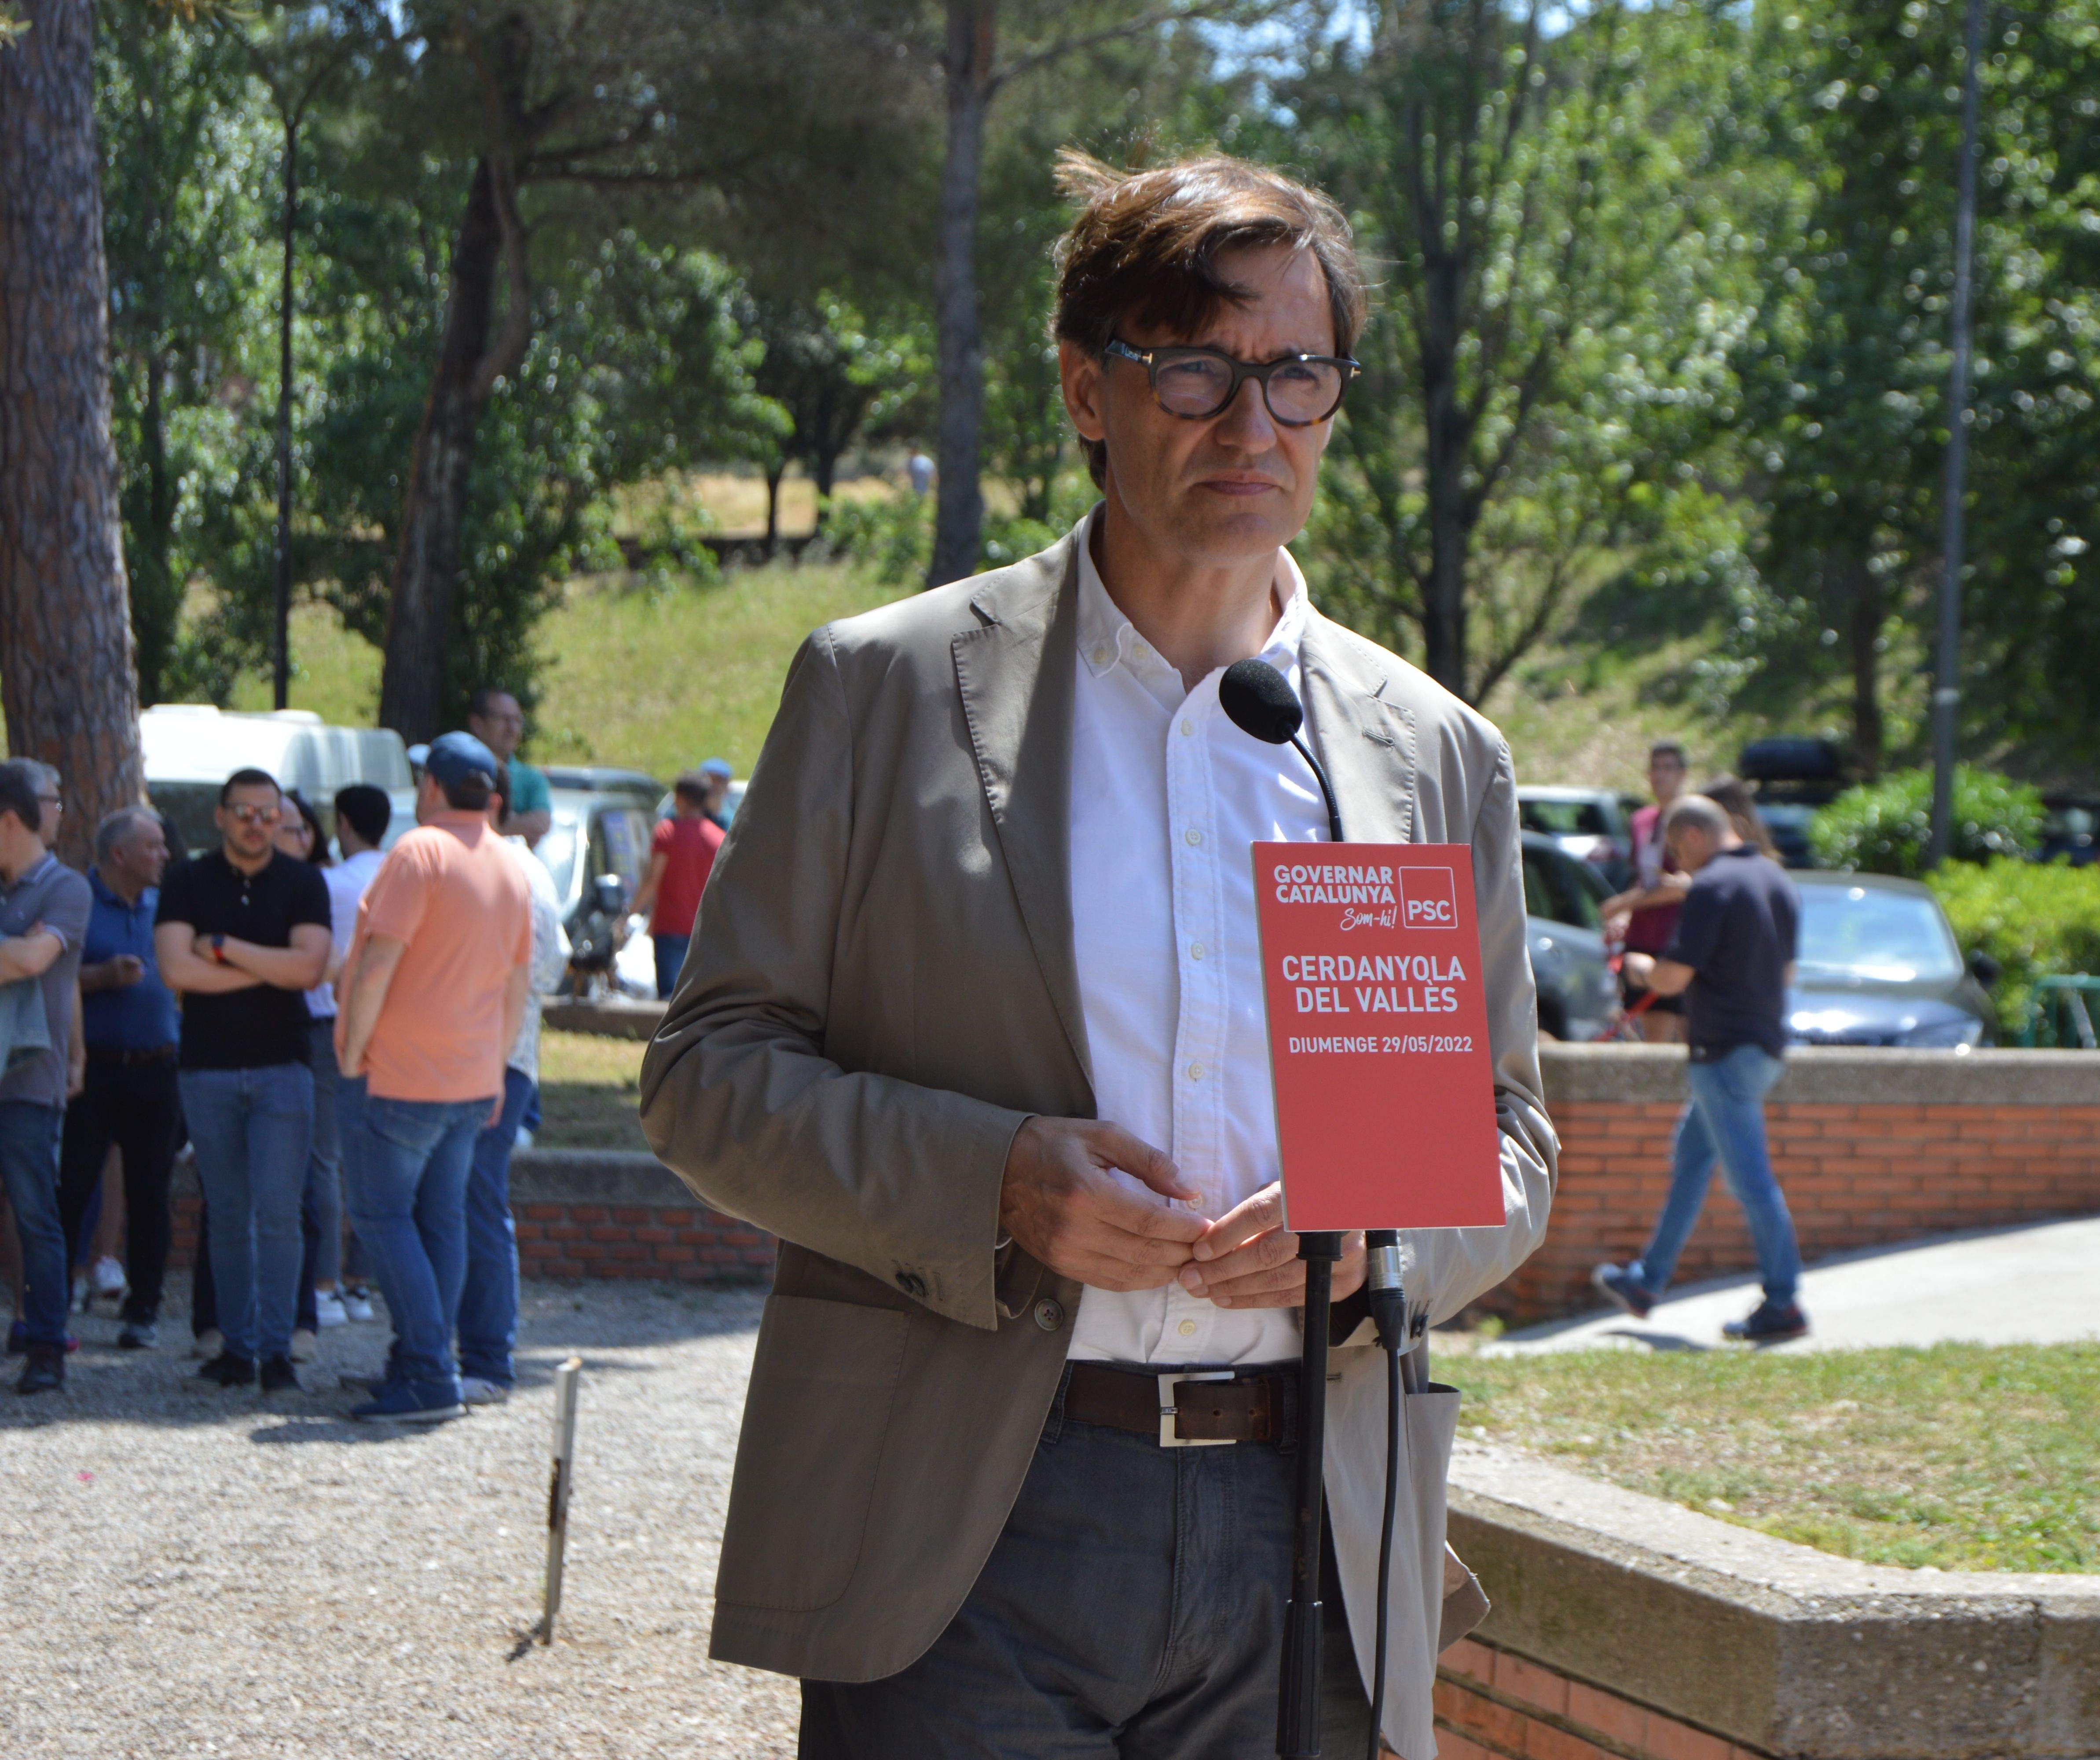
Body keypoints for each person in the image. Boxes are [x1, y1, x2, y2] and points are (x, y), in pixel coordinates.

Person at [639, 150, 1551, 1760]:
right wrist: (992, 1177)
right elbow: (705, 1076)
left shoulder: (1425, 751)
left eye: (1295, 372)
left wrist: (1374, 1239)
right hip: (967, 1517)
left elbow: (1506, 1142)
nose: (1250, 423)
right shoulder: (884, 688)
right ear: (1085, 385)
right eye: (1194, 367)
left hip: (1310, 1524)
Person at [334, 732, 532, 1424]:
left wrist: (352, 1051)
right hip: (472, 1077)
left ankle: (426, 1370)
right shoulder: (510, 864)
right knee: (441, 1221)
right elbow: (517, 983)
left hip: (402, 1075)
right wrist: (497, 1069)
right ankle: (422, 1363)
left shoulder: (420, 851)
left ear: (432, 788)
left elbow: (378, 965)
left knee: (382, 1217)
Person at [1590, 793, 1808, 1345]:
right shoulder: (1775, 879)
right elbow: (1785, 972)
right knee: (1691, 1156)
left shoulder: (1712, 886)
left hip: (1723, 1054)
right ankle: (1646, 1281)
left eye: (1674, 849)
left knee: (1750, 1181)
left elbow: (1671, 978)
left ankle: (1783, 1301)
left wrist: (1639, 967)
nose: (1676, 864)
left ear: (1691, 836)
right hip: (1762, 1046)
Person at [156, 768, 331, 1393]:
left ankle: (277, 1353)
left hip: (283, 1069)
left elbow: (310, 970)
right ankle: (237, 1349)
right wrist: (272, 968)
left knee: (281, 1214)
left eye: (269, 814)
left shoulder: (303, 882)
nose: (258, 825)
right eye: (245, 813)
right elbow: (176, 970)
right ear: (221, 816)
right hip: (207, 1070)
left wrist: (226, 947)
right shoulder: (186, 880)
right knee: (228, 1213)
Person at [57, 807, 181, 1352]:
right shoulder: (78, 902)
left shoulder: (167, 905)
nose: (164, 855)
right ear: (119, 854)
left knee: (152, 1192)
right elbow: (53, 977)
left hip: (158, 1067)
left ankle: (144, 1308)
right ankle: (52, 1305)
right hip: (93, 1069)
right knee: (72, 1188)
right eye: (153, 846)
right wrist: (102, 977)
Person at [458, 813, 565, 1404]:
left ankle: (487, 1361)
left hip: (494, 1063)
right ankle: (449, 1359)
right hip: (493, 1060)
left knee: (477, 1203)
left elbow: (542, 967)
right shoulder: (523, 867)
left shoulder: (512, 869)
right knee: (460, 1205)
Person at [0, 760, 91, 1394]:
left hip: (31, 1079)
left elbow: (40, 961)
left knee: (35, 1214)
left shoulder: (67, 888)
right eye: (53, 801)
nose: (61, 812)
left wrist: (24, 953)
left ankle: (46, 1347)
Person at [275, 791, 344, 1357]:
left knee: (316, 1164)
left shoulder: (317, 884)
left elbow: (323, 965)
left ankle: (320, 1289)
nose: (296, 838)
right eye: (287, 828)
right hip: (253, 1040)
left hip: (317, 1031)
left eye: (302, 829)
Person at [323, 785, 391, 1320]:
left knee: (327, 1161)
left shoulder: (330, 884)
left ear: (343, 823)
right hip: (397, 1037)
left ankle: (325, 1281)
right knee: (377, 1165)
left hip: (335, 1029)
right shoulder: (402, 874)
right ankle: (360, 1280)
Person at [1599, 739, 1691, 1043]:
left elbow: (1684, 884)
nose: (1660, 775)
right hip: (1643, 940)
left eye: (1668, 768)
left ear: (1683, 775)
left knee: (1692, 1036)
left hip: (1681, 938)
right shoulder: (1641, 820)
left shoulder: (1692, 820)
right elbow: (1644, 879)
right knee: (1653, 1041)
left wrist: (1624, 904)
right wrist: (1624, 915)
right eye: (1655, 768)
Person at [626, 773, 722, 998]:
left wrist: (630, 914)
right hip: (704, 931)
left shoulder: (667, 833)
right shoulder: (718, 838)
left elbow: (652, 881)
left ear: (679, 798)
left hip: (669, 929)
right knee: (697, 998)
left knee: (669, 998)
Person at [467, 686, 552, 845]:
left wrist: (474, 828)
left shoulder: (531, 778)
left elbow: (541, 823)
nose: (512, 728)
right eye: (504, 719)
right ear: (477, 724)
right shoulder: (462, 770)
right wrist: (514, 824)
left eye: (517, 720)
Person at [698, 757, 736, 829]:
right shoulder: (684, 815)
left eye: (719, 781)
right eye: (707, 780)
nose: (713, 785)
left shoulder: (732, 822)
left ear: (727, 786)